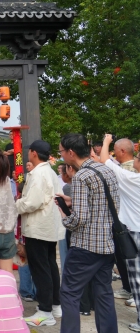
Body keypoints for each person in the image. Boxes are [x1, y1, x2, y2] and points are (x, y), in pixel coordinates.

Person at [56, 133, 119, 333]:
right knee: (104, 293)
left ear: (71, 152)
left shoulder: (81, 176)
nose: (61, 155)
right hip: (107, 244)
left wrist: (64, 216)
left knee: (69, 293)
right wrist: (73, 201)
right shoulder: (106, 169)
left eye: (61, 151)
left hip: (85, 247)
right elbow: (108, 204)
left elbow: (79, 219)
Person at [13, 140, 65, 326]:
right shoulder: (49, 171)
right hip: (48, 226)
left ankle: (45, 311)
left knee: (40, 269)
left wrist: (15, 205)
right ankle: (55, 305)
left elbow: (31, 202)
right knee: (50, 266)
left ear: (34, 153)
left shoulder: (38, 173)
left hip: (38, 227)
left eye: (29, 151)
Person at [101, 134, 140, 331]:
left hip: (135, 234)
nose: (135, 159)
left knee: (137, 279)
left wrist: (106, 141)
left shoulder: (131, 179)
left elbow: (105, 161)